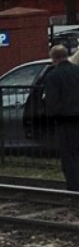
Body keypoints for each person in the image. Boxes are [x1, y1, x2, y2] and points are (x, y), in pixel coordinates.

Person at [45, 45, 79, 192]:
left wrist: (53, 118)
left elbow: (52, 102)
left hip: (66, 121)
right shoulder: (77, 71)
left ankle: (74, 187)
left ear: (53, 58)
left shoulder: (53, 76)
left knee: (69, 156)